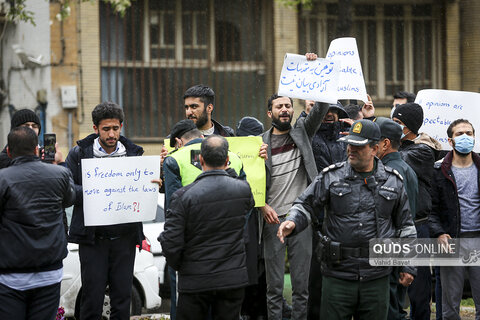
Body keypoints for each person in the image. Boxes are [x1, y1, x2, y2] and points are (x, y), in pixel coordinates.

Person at [277, 119, 417, 320]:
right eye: (349, 144)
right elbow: (305, 204)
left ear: (374, 149)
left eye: (358, 146)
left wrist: (408, 265)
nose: (351, 149)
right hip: (338, 275)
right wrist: (293, 221)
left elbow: (406, 226)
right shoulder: (331, 177)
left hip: (376, 276)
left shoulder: (392, 181)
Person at [159, 135, 255, 320]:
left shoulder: (183, 196)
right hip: (232, 279)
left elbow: (171, 242)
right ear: (227, 160)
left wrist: (182, 266)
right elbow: (245, 211)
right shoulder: (243, 190)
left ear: (200, 159)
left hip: (195, 281)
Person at [260, 66, 330, 318]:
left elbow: (321, 106)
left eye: (288, 105)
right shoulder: (259, 142)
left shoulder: (303, 133)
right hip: (272, 220)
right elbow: (251, 183)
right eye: (279, 106)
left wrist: (313, 69)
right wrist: (261, 205)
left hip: (301, 220)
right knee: (274, 287)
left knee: (302, 286)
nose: (285, 110)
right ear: (270, 112)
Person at [65, 101, 144, 320]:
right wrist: (97, 189)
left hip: (124, 239)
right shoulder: (79, 154)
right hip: (93, 240)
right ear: (95, 129)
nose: (111, 134)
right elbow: (68, 191)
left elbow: (141, 190)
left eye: (115, 128)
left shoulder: (133, 154)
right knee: (92, 299)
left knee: (122, 299)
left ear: (121, 126)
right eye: (106, 129)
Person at [0, 126, 75, 320]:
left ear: (9, 151)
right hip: (49, 273)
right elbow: (69, 199)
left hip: (11, 277)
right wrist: (59, 163)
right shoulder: (60, 174)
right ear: (36, 149)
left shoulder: (2, 179)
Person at [392, 102, 442, 320]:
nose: (394, 128)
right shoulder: (396, 146)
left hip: (417, 225)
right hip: (392, 225)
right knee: (392, 285)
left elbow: (395, 162)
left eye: (398, 123)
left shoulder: (422, 151)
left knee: (418, 286)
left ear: (410, 127)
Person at [429, 119, 480, 320]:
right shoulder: (438, 170)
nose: (465, 137)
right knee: (449, 307)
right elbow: (431, 209)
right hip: (451, 241)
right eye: (460, 134)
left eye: (469, 133)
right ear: (450, 141)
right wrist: (439, 233)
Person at [375, 117, 419, 320]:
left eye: (373, 141)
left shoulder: (389, 171)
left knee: (389, 310)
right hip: (399, 250)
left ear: (385, 143)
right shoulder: (405, 168)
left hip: (389, 251)